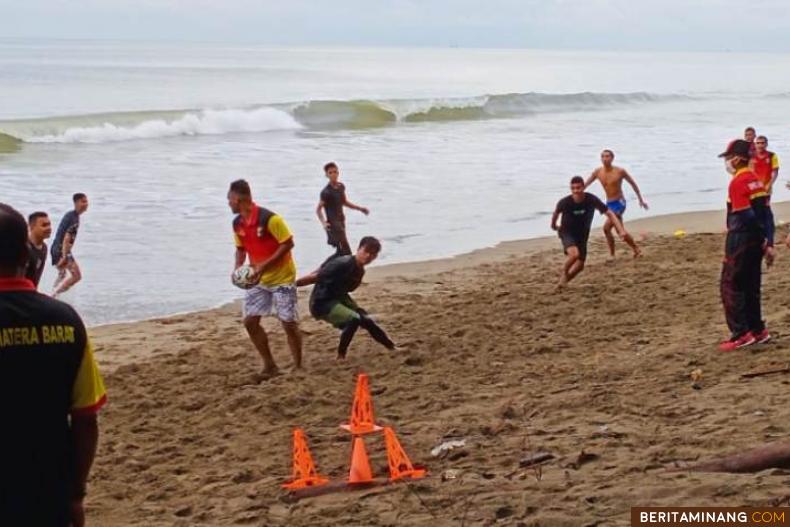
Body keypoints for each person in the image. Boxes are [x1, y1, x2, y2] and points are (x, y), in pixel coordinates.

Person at [0, 203, 106, 527]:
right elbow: (86, 418)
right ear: (25, 255)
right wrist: (76, 493)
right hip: (49, 489)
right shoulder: (66, 321)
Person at [228, 179, 303, 379]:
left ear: (239, 199)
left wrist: (264, 265)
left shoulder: (270, 219)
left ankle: (298, 366)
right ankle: (270, 365)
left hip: (283, 277)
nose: (228, 203)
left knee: (288, 322)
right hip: (257, 279)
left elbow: (288, 244)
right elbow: (241, 248)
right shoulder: (237, 223)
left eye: (230, 199)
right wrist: (237, 267)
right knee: (250, 322)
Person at [718, 140, 774, 351]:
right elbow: (767, 214)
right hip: (755, 240)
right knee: (751, 284)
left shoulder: (738, 182)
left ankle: (741, 333)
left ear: (737, 158)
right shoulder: (756, 181)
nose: (726, 162)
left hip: (741, 237)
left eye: (728, 158)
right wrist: (767, 240)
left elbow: (746, 214)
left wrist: (757, 233)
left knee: (731, 285)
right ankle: (758, 329)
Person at [309, 236, 396, 360]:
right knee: (353, 319)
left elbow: (348, 289)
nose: (368, 257)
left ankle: (391, 347)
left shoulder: (359, 270)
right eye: (366, 252)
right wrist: (290, 285)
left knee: (366, 319)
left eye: (372, 255)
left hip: (338, 298)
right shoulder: (342, 263)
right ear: (359, 249)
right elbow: (315, 277)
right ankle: (341, 355)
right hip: (321, 302)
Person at [551, 176, 629, 288]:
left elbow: (610, 213)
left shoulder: (591, 199)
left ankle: (563, 283)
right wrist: (554, 226)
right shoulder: (565, 202)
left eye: (578, 188)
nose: (576, 191)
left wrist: (621, 230)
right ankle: (564, 274)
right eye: (573, 188)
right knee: (574, 255)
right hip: (567, 232)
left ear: (583, 187)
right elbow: (555, 214)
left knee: (580, 265)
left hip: (583, 234)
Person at [584, 150, 647, 258]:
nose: (605, 158)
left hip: (619, 203)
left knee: (606, 228)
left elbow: (633, 183)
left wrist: (640, 199)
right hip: (609, 204)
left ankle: (612, 255)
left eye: (607, 156)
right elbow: (585, 184)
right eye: (603, 156)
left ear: (612, 158)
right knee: (620, 231)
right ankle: (636, 249)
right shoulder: (598, 172)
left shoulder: (620, 171)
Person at [51, 193, 89, 298]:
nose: (86, 204)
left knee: (62, 275)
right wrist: (65, 256)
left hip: (56, 248)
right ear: (76, 203)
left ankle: (52, 295)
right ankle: (53, 296)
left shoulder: (71, 215)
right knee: (77, 276)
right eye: (83, 201)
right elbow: (67, 238)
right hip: (61, 250)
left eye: (86, 201)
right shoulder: (74, 219)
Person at [25, 211, 52, 288]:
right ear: (31, 227)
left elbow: (37, 277)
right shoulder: (23, 247)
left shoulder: (44, 248)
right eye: (44, 225)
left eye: (49, 224)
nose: (49, 228)